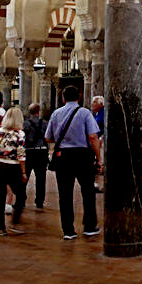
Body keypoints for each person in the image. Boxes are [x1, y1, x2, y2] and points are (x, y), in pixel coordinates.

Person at [45, 85, 102, 240]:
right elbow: (93, 137)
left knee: (65, 194)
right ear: (80, 96)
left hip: (63, 156)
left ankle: (68, 230)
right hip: (82, 156)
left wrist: (64, 139)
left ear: (63, 98)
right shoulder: (85, 113)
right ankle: (90, 227)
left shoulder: (56, 114)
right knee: (88, 192)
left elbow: (48, 137)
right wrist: (99, 158)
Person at [0, 107, 27, 236]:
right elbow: (21, 154)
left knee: (0, 196)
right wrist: (23, 172)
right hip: (12, 166)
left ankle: (1, 228)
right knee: (21, 195)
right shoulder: (19, 134)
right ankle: (15, 221)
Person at [23, 102, 48, 209]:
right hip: (41, 151)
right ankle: (39, 201)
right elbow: (49, 137)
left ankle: (21, 200)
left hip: (28, 152)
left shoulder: (25, 124)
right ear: (39, 111)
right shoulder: (45, 123)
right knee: (41, 178)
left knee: (25, 177)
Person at [91, 95, 105, 193]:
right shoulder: (98, 114)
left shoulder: (102, 114)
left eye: (94, 102)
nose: (92, 104)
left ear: (101, 104)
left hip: (100, 142)